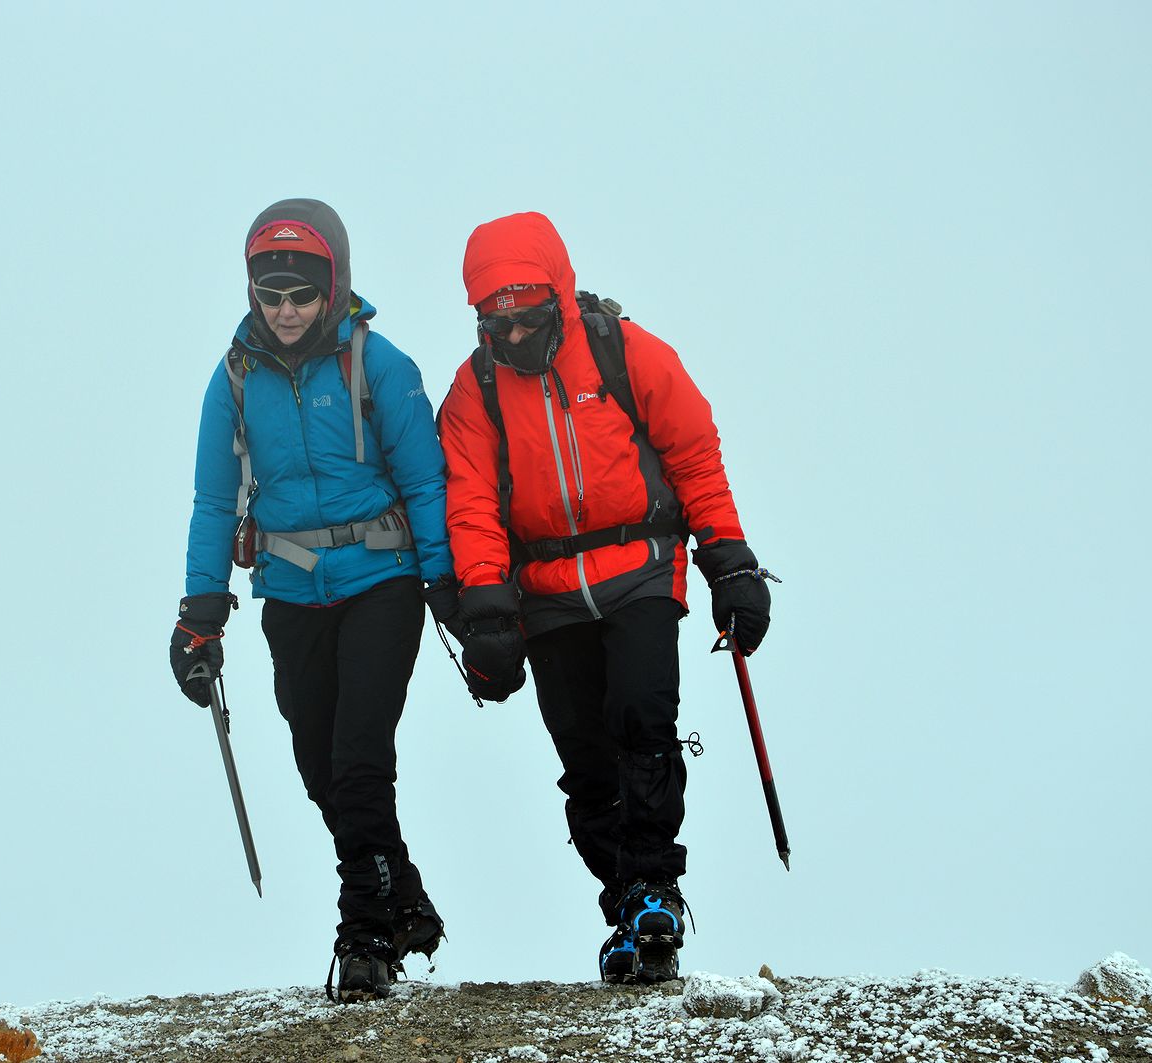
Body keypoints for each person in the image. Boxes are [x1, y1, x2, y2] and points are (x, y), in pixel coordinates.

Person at [435, 212, 775, 984]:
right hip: (547, 593)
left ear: (558, 292)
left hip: (644, 573)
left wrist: (729, 561)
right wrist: (486, 612)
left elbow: (693, 454)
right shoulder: (475, 389)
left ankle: (657, 884)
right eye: (497, 321)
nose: (515, 336)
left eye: (528, 316)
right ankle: (625, 906)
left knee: (643, 722)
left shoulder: (626, 352)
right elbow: (472, 505)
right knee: (586, 762)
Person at [170, 198, 454, 1002]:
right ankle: (400, 889)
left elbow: (427, 480)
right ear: (253, 292)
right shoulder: (232, 380)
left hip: (382, 583)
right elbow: (213, 500)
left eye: (301, 294)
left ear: (334, 283)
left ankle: (363, 932)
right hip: (290, 592)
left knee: (361, 755)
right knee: (318, 763)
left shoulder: (379, 363)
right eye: (271, 295)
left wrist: (444, 581)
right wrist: (200, 613)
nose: (287, 311)